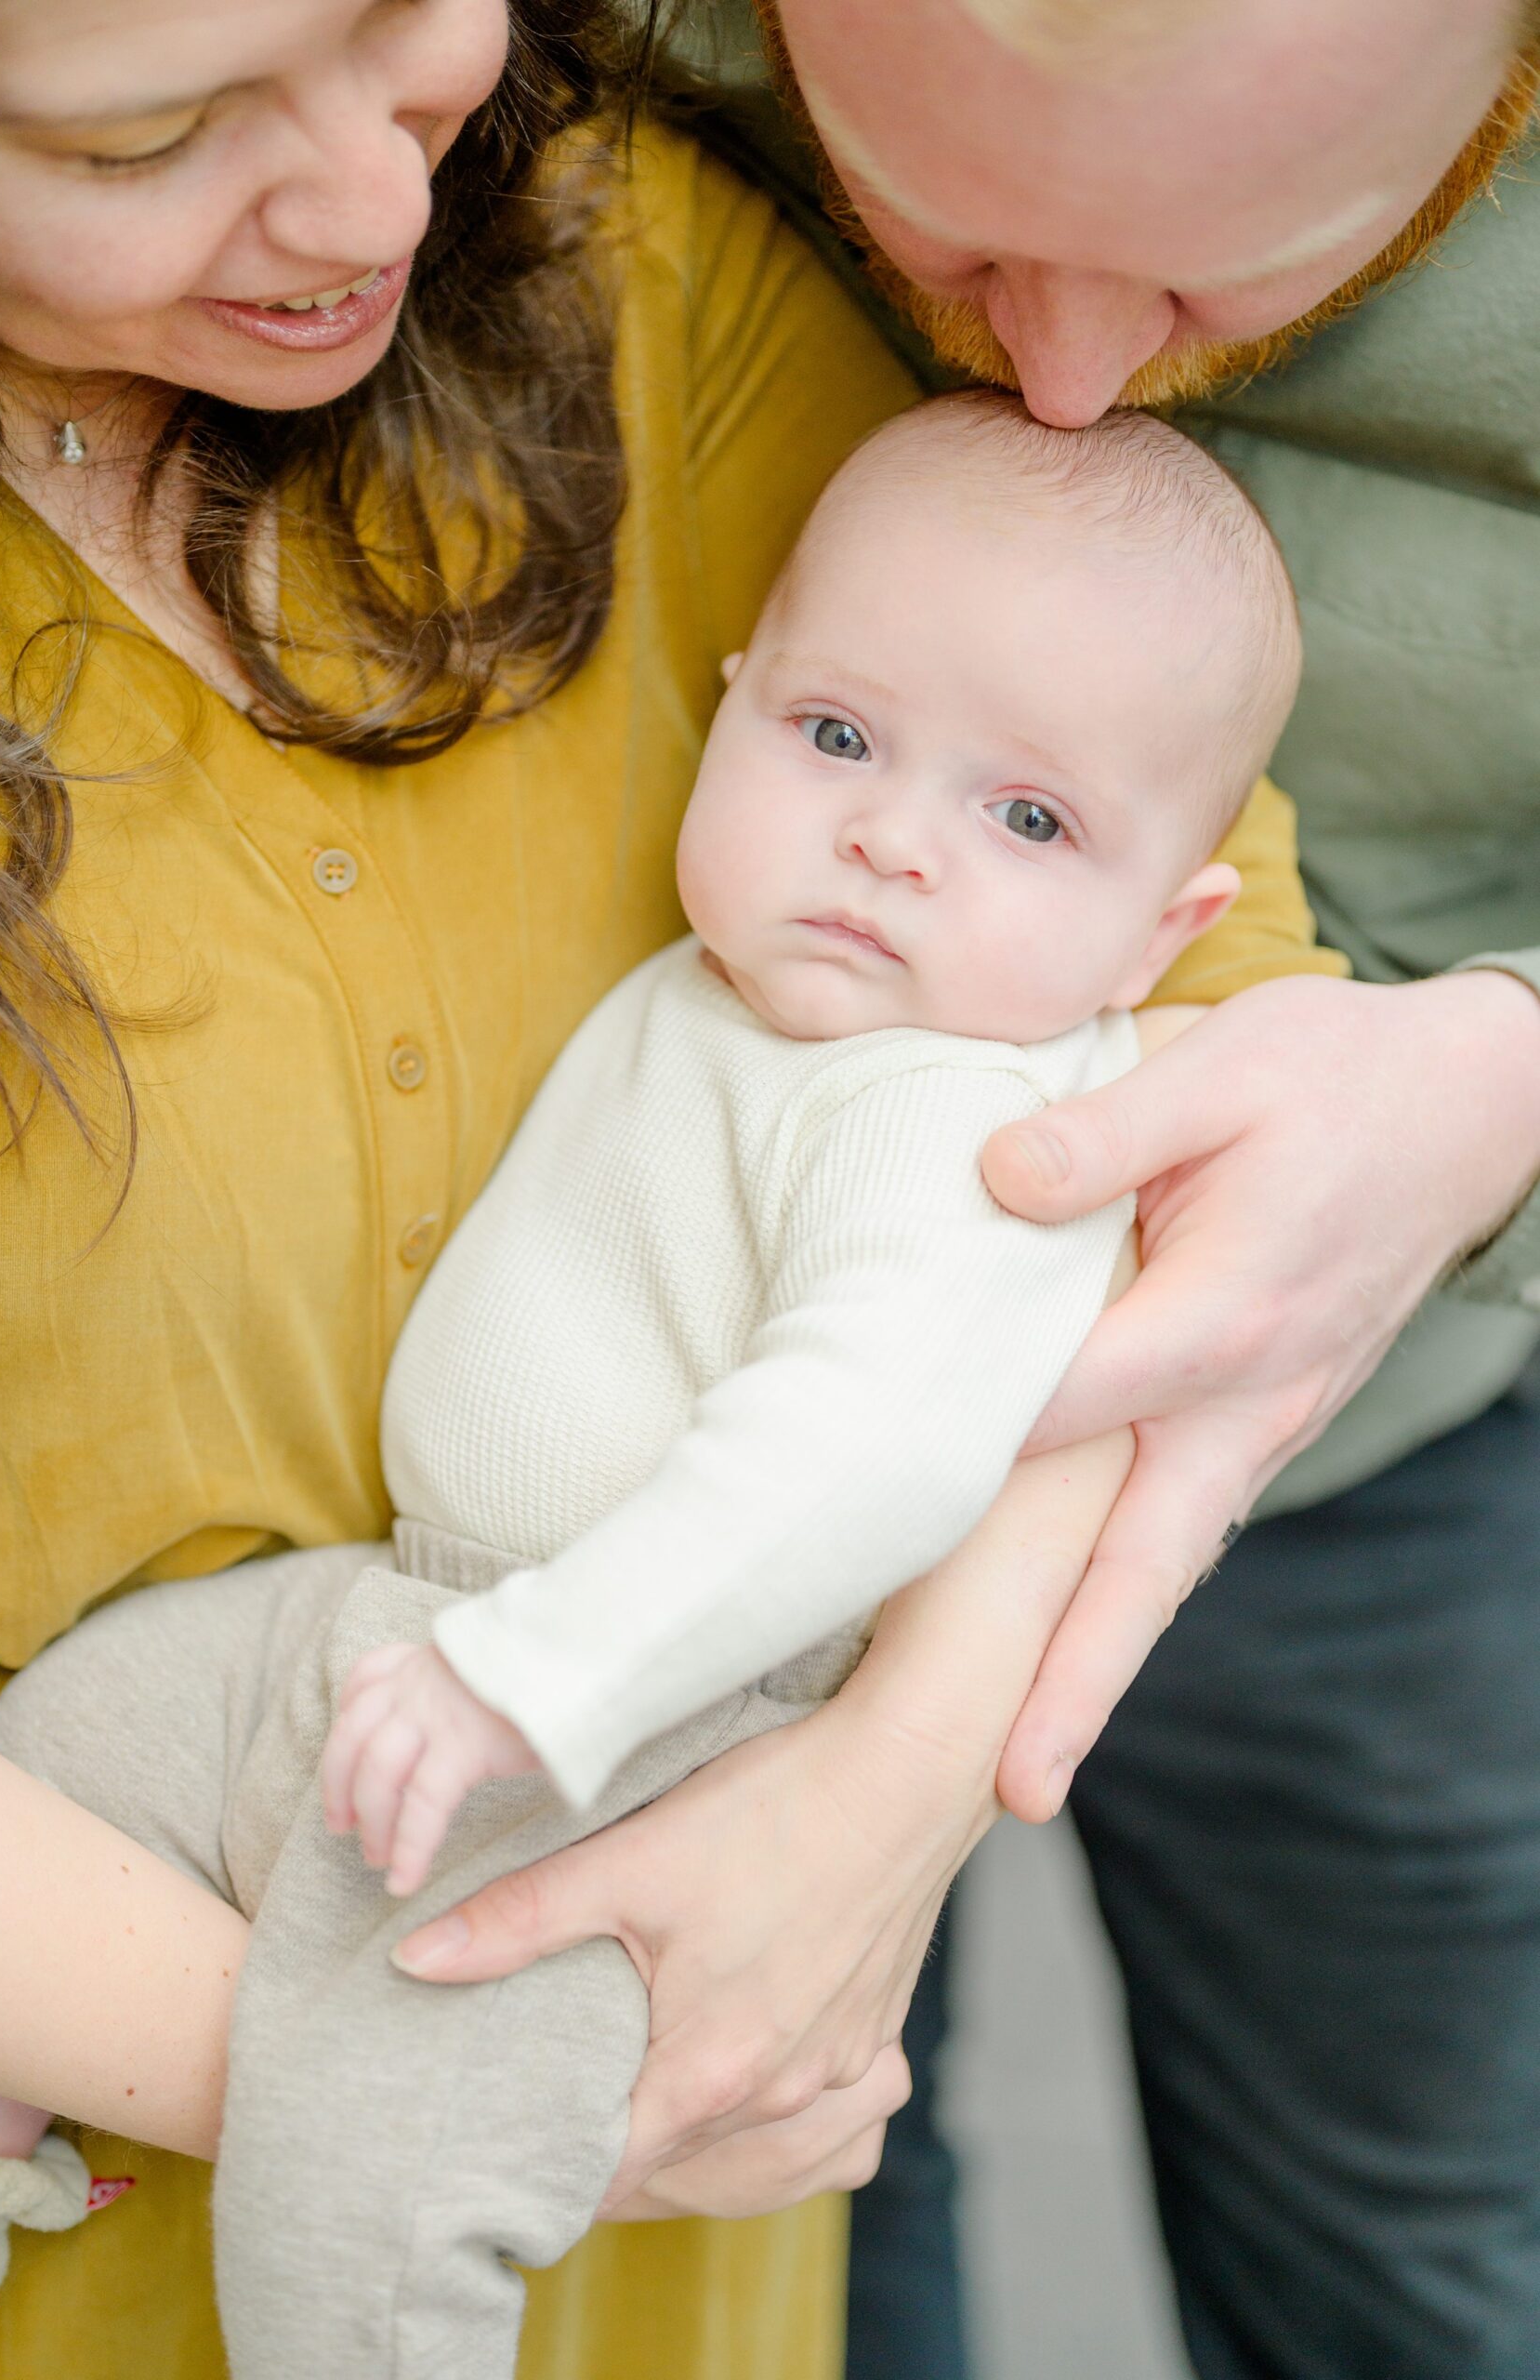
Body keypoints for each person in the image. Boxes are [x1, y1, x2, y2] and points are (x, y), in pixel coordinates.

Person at [0, 3, 1334, 2375]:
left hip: (582, 1746)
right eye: (154, 133)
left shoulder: (625, 262)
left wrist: (871, 1803)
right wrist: (455, 2060)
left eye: (404, 26)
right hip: (366, 1898)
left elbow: (1211, 1066)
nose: (381, 201)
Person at [634, 4, 1540, 2373]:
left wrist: (1507, 1072)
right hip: (691, 1430)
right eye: (940, 211)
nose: (1058, 373)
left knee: (1413, 2263)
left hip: (1396, 1441)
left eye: (1240, 265)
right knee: (782, 2195)